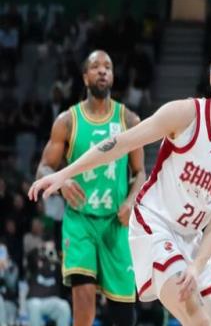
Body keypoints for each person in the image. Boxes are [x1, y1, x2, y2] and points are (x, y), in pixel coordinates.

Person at [29, 49, 211, 325]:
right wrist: (65, 173)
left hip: (193, 240)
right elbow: (121, 144)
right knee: (198, 319)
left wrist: (197, 266)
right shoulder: (185, 114)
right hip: (155, 226)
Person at [33, 50, 146, 326]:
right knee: (83, 305)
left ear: (113, 76)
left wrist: (132, 199)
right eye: (95, 66)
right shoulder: (67, 121)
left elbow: (140, 172)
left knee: (124, 317)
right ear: (85, 77)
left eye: (108, 66)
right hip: (80, 222)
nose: (102, 70)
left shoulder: (129, 120)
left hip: (115, 224)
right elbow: (43, 169)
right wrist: (62, 182)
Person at [26, 237, 71, 326]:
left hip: (52, 300)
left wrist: (57, 259)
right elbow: (29, 257)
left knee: (64, 306)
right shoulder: (37, 259)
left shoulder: (57, 264)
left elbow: (66, 274)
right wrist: (42, 247)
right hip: (36, 299)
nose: (50, 250)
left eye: (52, 247)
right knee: (35, 305)